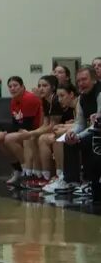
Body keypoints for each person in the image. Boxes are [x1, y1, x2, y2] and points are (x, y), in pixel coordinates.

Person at [0, 76, 43, 186]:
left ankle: (27, 171)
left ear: (22, 86)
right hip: (24, 130)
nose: (12, 88)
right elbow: (15, 123)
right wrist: (3, 132)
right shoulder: (13, 101)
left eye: (15, 85)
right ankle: (18, 170)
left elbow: (27, 125)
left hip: (34, 130)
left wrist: (6, 133)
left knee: (8, 139)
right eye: (10, 86)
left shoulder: (29, 98)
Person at [63, 67, 101, 200]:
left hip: (98, 132)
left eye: (84, 79)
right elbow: (80, 123)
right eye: (78, 81)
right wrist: (71, 133)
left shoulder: (99, 93)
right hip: (95, 131)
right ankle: (71, 181)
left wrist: (78, 136)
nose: (80, 83)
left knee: (86, 140)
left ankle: (89, 181)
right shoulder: (81, 98)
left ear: (94, 80)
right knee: (68, 140)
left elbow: (98, 123)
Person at [41, 82, 78, 194]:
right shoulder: (73, 107)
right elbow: (79, 123)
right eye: (58, 97)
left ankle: (62, 175)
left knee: (59, 136)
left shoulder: (79, 104)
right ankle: (50, 175)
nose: (60, 100)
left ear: (71, 94)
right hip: (81, 132)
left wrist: (66, 127)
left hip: (89, 135)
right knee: (53, 135)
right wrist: (65, 126)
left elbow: (85, 124)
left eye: (62, 96)